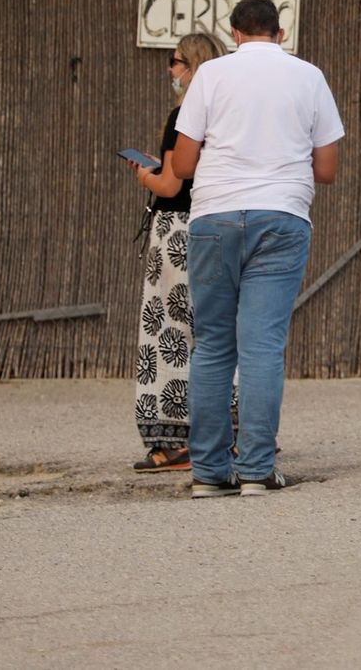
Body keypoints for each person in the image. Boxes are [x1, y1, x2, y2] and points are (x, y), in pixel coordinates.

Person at [171, 0, 344, 498]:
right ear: (281, 32)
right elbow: (328, 169)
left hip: (214, 216)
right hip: (282, 216)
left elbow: (182, 165)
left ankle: (207, 473)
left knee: (213, 346)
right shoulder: (309, 76)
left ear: (235, 33)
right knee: (262, 347)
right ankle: (256, 472)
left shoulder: (210, 76)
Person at [128, 31, 230, 472]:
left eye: (174, 62)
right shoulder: (228, 113)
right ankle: (235, 433)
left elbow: (170, 184)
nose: (170, 70)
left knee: (171, 332)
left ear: (190, 66)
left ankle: (173, 440)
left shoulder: (183, 114)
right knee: (221, 330)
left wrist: (144, 176)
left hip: (178, 230)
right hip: (221, 224)